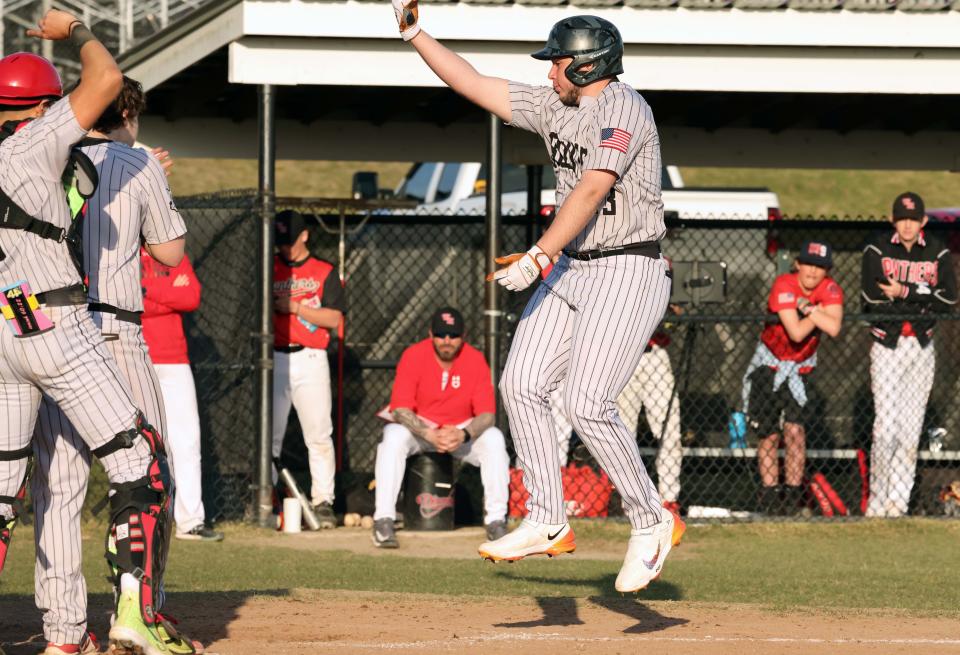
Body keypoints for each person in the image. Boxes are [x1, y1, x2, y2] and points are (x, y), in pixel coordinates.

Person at [390, 7, 682, 592]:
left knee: (588, 402)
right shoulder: (557, 104)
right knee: (521, 384)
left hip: (630, 265)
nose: (549, 72)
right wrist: (414, 34)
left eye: (557, 61)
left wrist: (540, 253)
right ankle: (548, 518)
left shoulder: (625, 108)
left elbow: (596, 187)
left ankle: (652, 520)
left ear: (586, 63)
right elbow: (471, 82)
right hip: (575, 265)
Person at [0, 12, 194, 655]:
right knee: (142, 467)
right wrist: (77, 29)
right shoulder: (111, 154)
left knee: (45, 489)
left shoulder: (48, 151)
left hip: (9, 323)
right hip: (86, 327)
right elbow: (167, 255)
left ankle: (61, 631)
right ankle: (143, 611)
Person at [371, 307, 509, 548]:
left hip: (460, 431)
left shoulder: (474, 358)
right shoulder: (414, 355)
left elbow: (487, 415)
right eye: (441, 334)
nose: (447, 341)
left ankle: (496, 521)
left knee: (494, 438)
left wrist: (464, 433)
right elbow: (400, 409)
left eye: (453, 335)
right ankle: (383, 519)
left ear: (463, 335)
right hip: (423, 430)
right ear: (430, 333)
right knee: (392, 436)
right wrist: (428, 433)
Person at [862, 192, 957, 517]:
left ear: (923, 222)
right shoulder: (877, 249)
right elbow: (872, 297)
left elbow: (948, 299)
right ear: (892, 220)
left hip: (921, 346)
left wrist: (904, 291)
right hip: (887, 346)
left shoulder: (937, 251)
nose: (907, 225)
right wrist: (922, 299)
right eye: (902, 218)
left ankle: (897, 504)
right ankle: (877, 501)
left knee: (910, 427)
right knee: (885, 427)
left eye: (913, 219)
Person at [742, 241, 843, 515]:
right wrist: (818, 310)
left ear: (828, 271)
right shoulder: (784, 284)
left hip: (800, 369)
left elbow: (833, 327)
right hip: (770, 367)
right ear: (798, 264)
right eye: (808, 264)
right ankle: (770, 497)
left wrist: (809, 308)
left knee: (796, 432)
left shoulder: (830, 289)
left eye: (820, 267)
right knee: (769, 435)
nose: (812, 272)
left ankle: (794, 498)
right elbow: (796, 332)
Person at [551, 321, 683, 515]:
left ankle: (669, 500)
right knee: (620, 432)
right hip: (620, 355)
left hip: (653, 353)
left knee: (669, 429)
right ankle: (624, 498)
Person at [142, 248, 223, 542]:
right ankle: (146, 515)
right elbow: (123, 301)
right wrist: (165, 293)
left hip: (175, 359)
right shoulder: (121, 251)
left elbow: (190, 297)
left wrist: (147, 291)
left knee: (186, 441)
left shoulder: (172, 253)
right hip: (136, 358)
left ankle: (190, 521)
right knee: (143, 443)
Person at [272, 209, 345, 528]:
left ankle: (323, 501)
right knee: (270, 436)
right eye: (280, 241)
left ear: (305, 236)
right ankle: (269, 500)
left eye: (290, 240)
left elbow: (333, 318)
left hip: (311, 358)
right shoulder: (268, 265)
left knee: (318, 435)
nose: (285, 248)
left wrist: (296, 307)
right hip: (273, 358)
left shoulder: (324, 270)